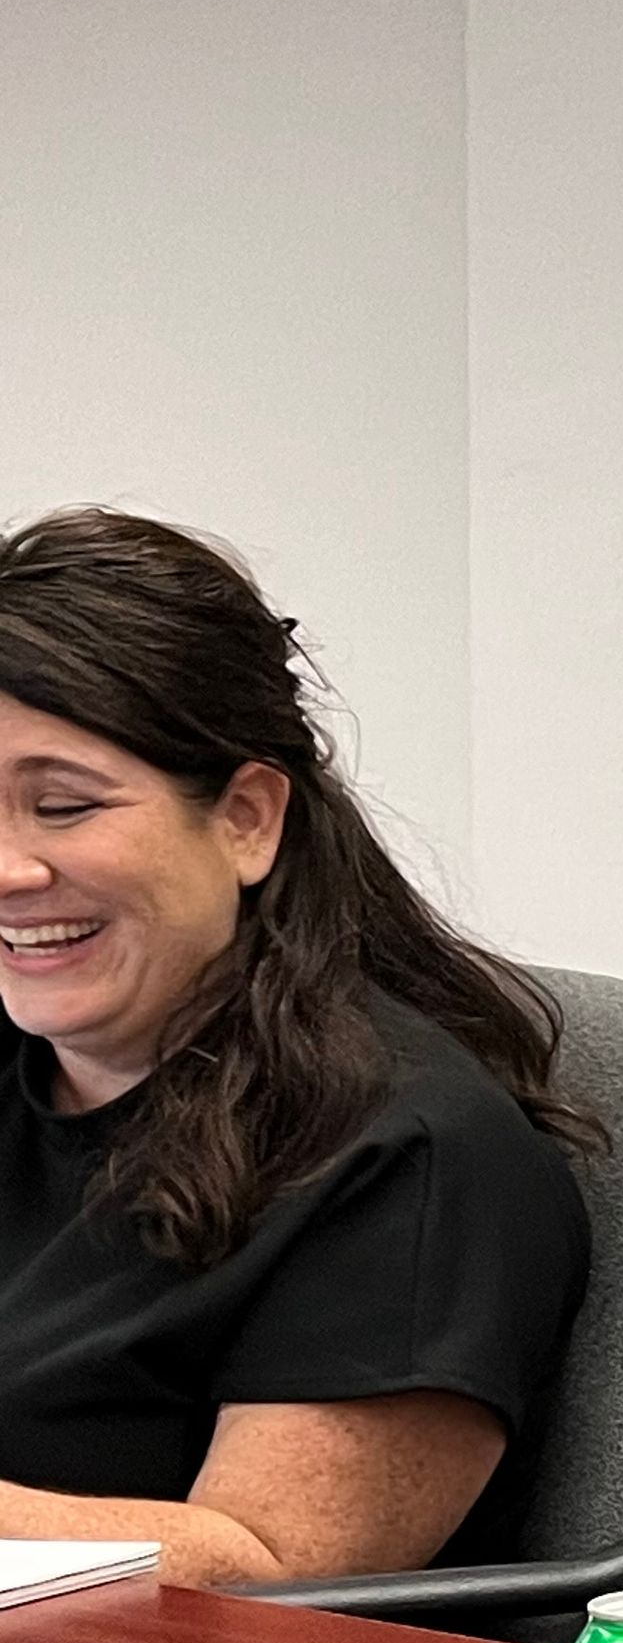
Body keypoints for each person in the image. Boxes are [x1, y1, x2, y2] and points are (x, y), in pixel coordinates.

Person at [0, 509, 592, 1588]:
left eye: (64, 807)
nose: (10, 870)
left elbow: (277, 1575)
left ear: (246, 819)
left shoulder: (409, 1156)